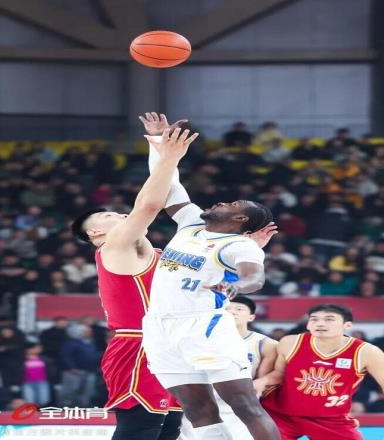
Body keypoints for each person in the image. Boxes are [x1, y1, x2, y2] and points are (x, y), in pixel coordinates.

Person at [142, 115, 280, 439]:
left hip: (202, 325)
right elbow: (167, 183)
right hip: (159, 325)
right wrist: (159, 142)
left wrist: (235, 286)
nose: (221, 202)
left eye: (232, 203)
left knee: (244, 405)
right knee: (197, 410)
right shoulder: (191, 222)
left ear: (241, 218)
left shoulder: (239, 245)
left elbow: (254, 277)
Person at [71, 125, 199, 440]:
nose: (121, 215)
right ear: (95, 233)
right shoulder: (113, 248)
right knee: (140, 429)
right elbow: (149, 205)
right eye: (109, 216)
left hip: (172, 345)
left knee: (169, 431)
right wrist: (169, 156)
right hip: (138, 346)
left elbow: (170, 194)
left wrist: (158, 147)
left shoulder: (161, 256)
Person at [255, 304, 384, 440]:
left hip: (330, 419)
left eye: (329, 319)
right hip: (281, 415)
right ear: (308, 324)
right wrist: (262, 381)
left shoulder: (366, 352)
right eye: (314, 319)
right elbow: (279, 374)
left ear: (347, 325)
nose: (320, 323)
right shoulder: (290, 342)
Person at [180, 295, 278, 439]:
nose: (232, 312)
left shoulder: (265, 344)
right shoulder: (199, 340)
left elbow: (262, 382)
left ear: (251, 317)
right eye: (227, 309)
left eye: (239, 309)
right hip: (202, 405)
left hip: (238, 408)